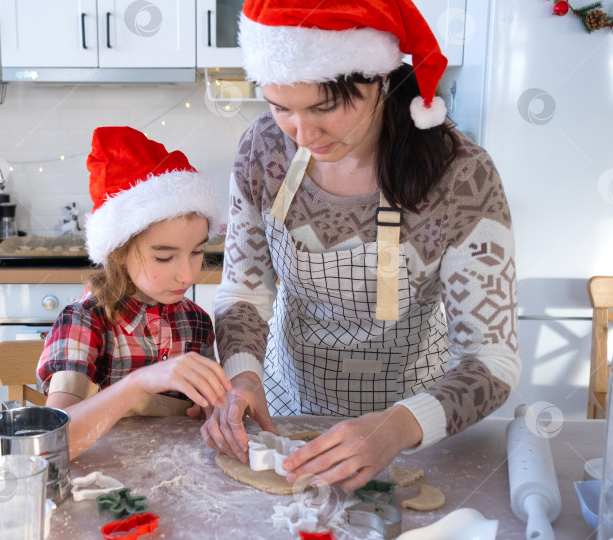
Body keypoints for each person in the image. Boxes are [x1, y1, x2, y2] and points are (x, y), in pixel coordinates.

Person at [200, 0, 521, 492]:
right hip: (287, 411)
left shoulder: (461, 175)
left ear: (380, 79)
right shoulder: (263, 149)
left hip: (416, 419)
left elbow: (490, 360)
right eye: (281, 106)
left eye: (325, 107)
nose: (303, 134)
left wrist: (397, 426)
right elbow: (243, 292)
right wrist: (243, 377)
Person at [38, 126, 232, 458]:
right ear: (118, 251)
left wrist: (215, 411)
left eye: (197, 252)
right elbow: (53, 444)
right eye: (165, 256)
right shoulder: (85, 322)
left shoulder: (197, 323)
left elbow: (201, 416)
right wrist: (140, 383)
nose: (187, 273)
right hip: (103, 488)